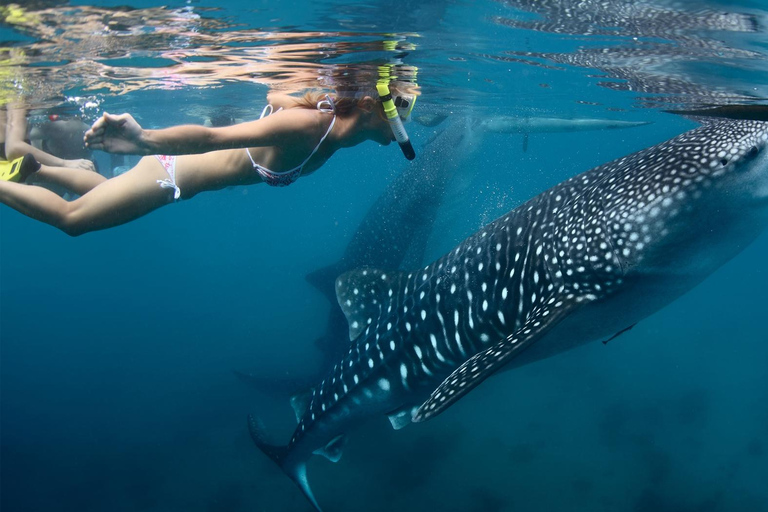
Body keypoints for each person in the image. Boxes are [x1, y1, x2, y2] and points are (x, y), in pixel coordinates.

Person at [0, 83, 417, 236]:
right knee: (73, 221)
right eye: (406, 109)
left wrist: (291, 100)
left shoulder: (325, 124)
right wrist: (143, 138)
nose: (409, 122)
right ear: (372, 106)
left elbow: (273, 95)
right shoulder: (311, 128)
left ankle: (35, 169)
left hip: (174, 182)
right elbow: (211, 137)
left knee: (103, 191)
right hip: (168, 172)